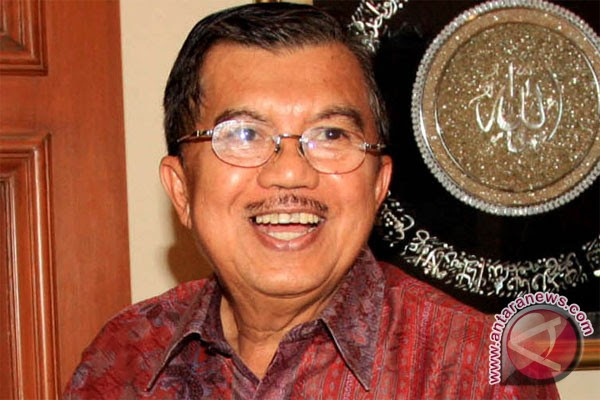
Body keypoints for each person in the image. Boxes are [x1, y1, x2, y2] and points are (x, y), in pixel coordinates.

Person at [64, 3, 558, 399]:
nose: (290, 172)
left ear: (379, 184)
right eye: (243, 134)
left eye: (330, 134)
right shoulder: (126, 357)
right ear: (181, 189)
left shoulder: (481, 371)